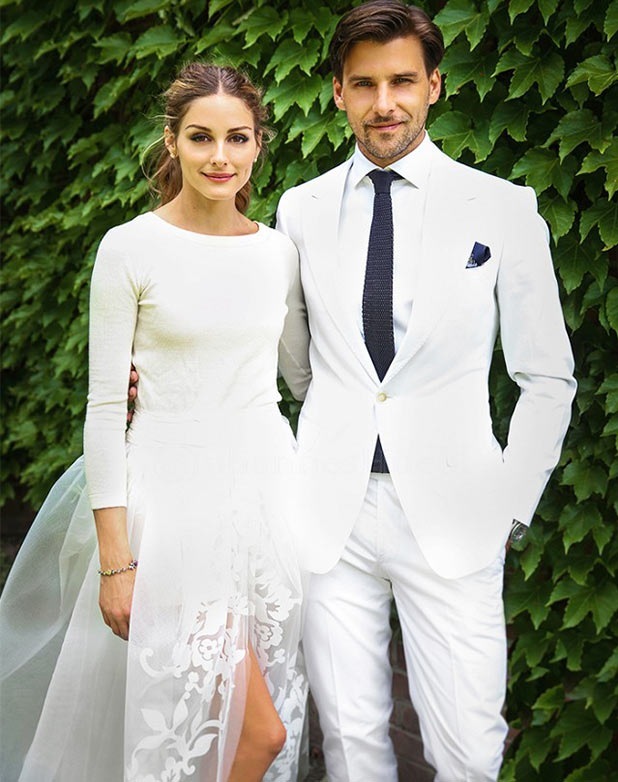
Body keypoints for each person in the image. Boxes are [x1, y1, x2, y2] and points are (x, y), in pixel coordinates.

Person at [275, 2, 577, 780]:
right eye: (364, 84)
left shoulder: (503, 207)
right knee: (350, 745)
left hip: (457, 512)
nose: (385, 104)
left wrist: (510, 508)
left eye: (402, 81)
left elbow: (547, 377)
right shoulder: (299, 210)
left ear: (434, 85)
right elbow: (301, 364)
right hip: (330, 516)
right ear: (338, 92)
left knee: (468, 750)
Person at [0, 63, 310, 782]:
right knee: (256, 735)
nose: (220, 156)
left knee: (220, 729)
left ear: (259, 143)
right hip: (172, 513)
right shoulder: (130, 248)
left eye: (237, 138)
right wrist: (117, 562)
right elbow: (106, 408)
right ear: (171, 140)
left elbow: (304, 378)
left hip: (265, 508)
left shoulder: (278, 253)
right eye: (201, 137)